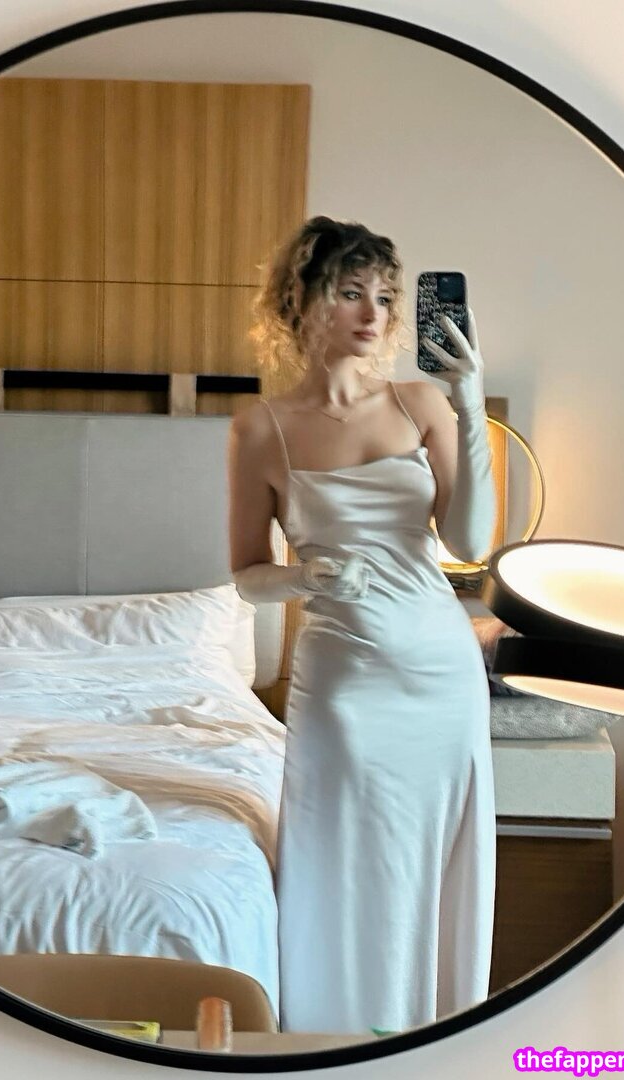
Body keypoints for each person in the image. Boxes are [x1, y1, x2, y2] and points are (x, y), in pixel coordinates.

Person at [227, 216, 496, 1035]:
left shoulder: (420, 403)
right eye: (351, 292)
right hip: (345, 678)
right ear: (303, 301)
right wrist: (302, 577)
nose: (374, 313)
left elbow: (470, 542)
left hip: (441, 671)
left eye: (385, 295)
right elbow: (246, 576)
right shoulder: (260, 428)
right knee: (345, 861)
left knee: (434, 861)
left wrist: (469, 403)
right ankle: (335, 1040)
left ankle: (432, 1037)